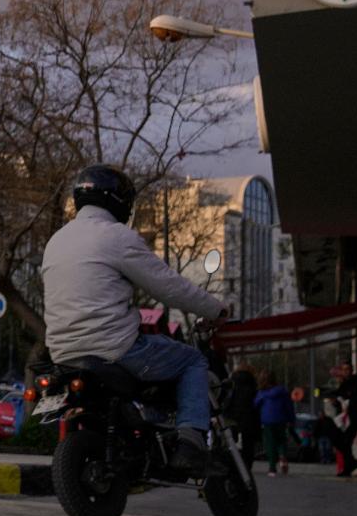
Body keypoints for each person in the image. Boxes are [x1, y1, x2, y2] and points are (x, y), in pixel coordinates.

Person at [40, 165, 232, 473]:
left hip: (63, 353)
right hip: (115, 350)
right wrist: (216, 309)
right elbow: (168, 286)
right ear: (118, 200)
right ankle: (190, 442)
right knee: (193, 360)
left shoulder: (56, 241)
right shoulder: (117, 236)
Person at [256, 371, 295, 476]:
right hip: (281, 419)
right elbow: (289, 407)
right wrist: (291, 420)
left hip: (267, 421)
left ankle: (272, 468)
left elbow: (255, 404)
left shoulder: (262, 393)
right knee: (281, 440)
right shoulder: (283, 392)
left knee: (270, 443)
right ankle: (283, 457)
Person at [226, 363, 260, 468]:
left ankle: (231, 466)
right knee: (248, 448)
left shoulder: (231, 384)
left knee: (229, 445)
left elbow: (227, 402)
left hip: (231, 419)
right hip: (248, 420)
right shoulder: (252, 385)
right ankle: (246, 468)